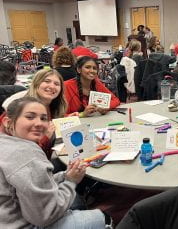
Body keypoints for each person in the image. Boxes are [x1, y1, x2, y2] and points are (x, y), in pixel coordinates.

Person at [0, 97, 108, 228]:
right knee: (103, 218)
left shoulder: (6, 142)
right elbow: (45, 216)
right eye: (30, 117)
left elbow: (34, 183)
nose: (39, 123)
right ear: (7, 122)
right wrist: (70, 182)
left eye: (43, 118)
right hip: (26, 224)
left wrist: (65, 176)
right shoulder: (26, 154)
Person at [2, 69, 68, 158]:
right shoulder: (19, 107)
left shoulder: (52, 107)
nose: (52, 86)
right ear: (36, 83)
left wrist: (68, 118)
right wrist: (46, 137)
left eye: (56, 84)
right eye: (47, 81)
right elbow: (24, 154)